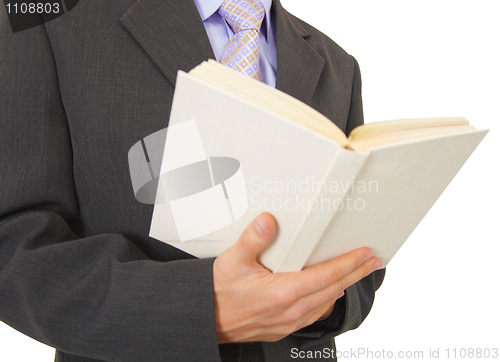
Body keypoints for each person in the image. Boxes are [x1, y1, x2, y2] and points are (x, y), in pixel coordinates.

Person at [0, 0, 385, 361]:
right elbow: (13, 241)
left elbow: (362, 262)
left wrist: (324, 302)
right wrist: (202, 305)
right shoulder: (44, 18)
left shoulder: (337, 64)